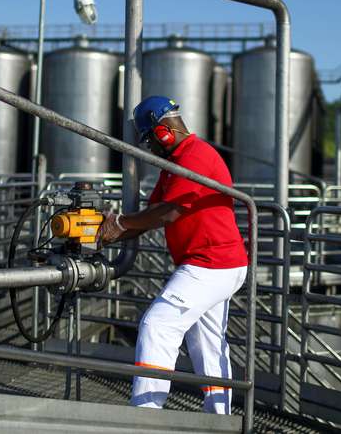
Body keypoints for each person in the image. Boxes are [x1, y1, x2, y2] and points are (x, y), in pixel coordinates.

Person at [97, 95, 248, 414]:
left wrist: (120, 223)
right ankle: (220, 418)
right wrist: (108, 231)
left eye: (149, 140)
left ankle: (145, 415)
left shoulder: (195, 156)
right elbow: (153, 212)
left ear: (163, 131)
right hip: (217, 263)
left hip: (210, 263)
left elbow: (169, 213)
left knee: (158, 325)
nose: (149, 149)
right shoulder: (174, 164)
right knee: (207, 343)